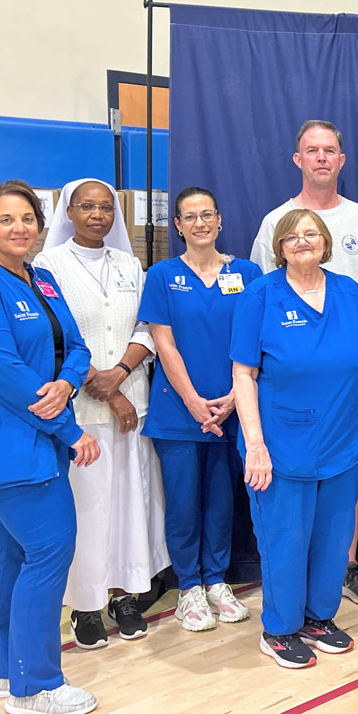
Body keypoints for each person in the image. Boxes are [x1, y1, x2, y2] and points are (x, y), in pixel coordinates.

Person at [0, 181, 100, 714]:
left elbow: (76, 347)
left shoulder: (41, 278)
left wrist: (69, 384)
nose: (19, 228)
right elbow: (1, 373)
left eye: (28, 218)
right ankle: (35, 687)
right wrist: (69, 429)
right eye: (6, 220)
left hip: (36, 436)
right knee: (51, 550)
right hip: (3, 443)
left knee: (13, 552)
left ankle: (2, 668)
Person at [231, 208, 358, 669]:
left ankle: (319, 618)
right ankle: (279, 629)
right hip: (281, 444)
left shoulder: (349, 291)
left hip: (345, 436)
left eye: (312, 234)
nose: (303, 242)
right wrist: (255, 444)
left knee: (334, 535)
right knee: (286, 538)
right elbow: (243, 373)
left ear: (326, 242)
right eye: (294, 236)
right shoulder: (261, 294)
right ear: (280, 245)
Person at [250, 120, 358, 607]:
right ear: (298, 160)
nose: (321, 158)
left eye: (330, 150)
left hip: (350, 377)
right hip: (290, 388)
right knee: (290, 508)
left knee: (343, 483)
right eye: (312, 150)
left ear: (342, 159)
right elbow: (260, 302)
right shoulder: (276, 221)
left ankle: (343, 570)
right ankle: (287, 612)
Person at [34, 178, 169, 650]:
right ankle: (86, 605)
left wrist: (122, 372)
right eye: (87, 207)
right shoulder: (47, 265)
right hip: (83, 406)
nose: (98, 215)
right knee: (88, 507)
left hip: (135, 402)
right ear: (68, 212)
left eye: (106, 208)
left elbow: (148, 325)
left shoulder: (130, 264)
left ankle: (126, 595)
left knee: (133, 502)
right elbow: (57, 335)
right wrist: (108, 389)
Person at [139, 187, 262, 631]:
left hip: (234, 407)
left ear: (220, 220)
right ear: (178, 226)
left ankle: (216, 581)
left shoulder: (246, 273)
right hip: (178, 411)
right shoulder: (162, 275)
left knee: (222, 500)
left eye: (207, 214)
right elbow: (163, 342)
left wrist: (234, 395)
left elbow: (253, 338)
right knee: (184, 503)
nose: (199, 223)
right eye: (189, 217)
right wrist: (192, 400)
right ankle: (189, 586)